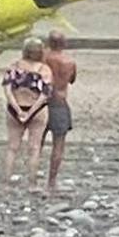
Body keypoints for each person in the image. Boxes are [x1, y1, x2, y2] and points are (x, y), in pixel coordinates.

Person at [1, 37, 54, 191]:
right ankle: (32, 184)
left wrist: (17, 109)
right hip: (36, 109)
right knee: (34, 148)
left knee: (12, 147)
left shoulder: (14, 67)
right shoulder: (44, 70)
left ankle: (6, 183)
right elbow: (45, 94)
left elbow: (7, 89)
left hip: (15, 106)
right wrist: (30, 112)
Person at [41, 31, 77, 196]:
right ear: (64, 44)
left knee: (36, 143)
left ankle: (32, 179)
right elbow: (71, 80)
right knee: (58, 144)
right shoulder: (69, 62)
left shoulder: (42, 59)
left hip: (40, 103)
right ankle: (51, 182)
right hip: (59, 102)